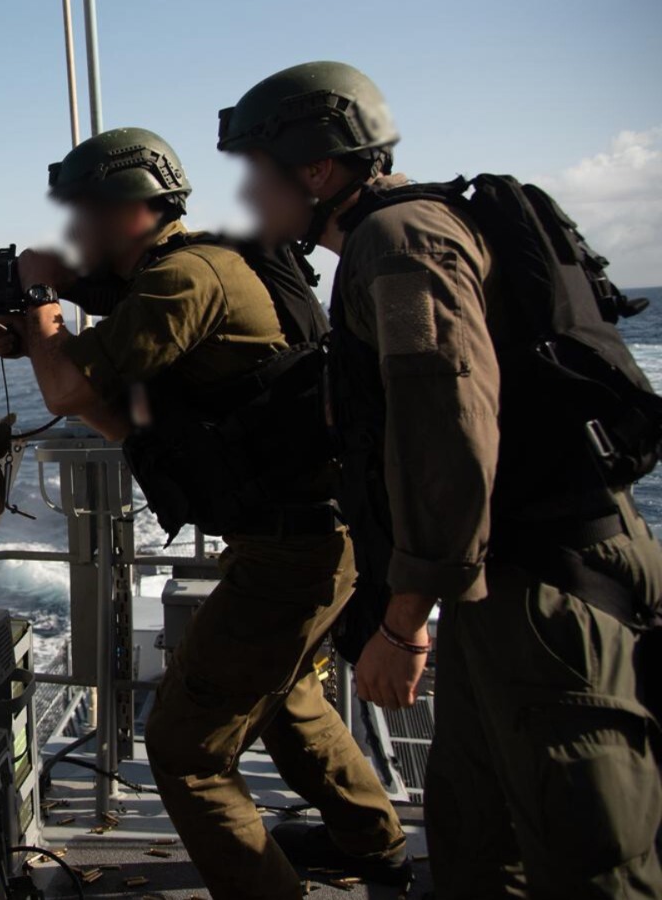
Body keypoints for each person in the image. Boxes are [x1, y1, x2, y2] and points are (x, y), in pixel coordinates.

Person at [218, 60, 662, 898]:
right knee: (475, 836)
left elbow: (446, 433)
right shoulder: (403, 233)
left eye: (257, 171)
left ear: (317, 169)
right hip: (505, 581)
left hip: (544, 585)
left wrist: (403, 623)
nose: (247, 195)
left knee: (590, 859)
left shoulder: (399, 243)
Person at [0, 126, 408, 899]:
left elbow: (69, 392)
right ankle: (372, 845)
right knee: (287, 701)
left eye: (85, 210)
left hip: (293, 549)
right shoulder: (185, 269)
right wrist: (41, 340)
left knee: (184, 749)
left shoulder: (183, 277)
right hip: (303, 536)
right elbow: (129, 414)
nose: (74, 229)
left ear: (128, 208)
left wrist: (42, 303)